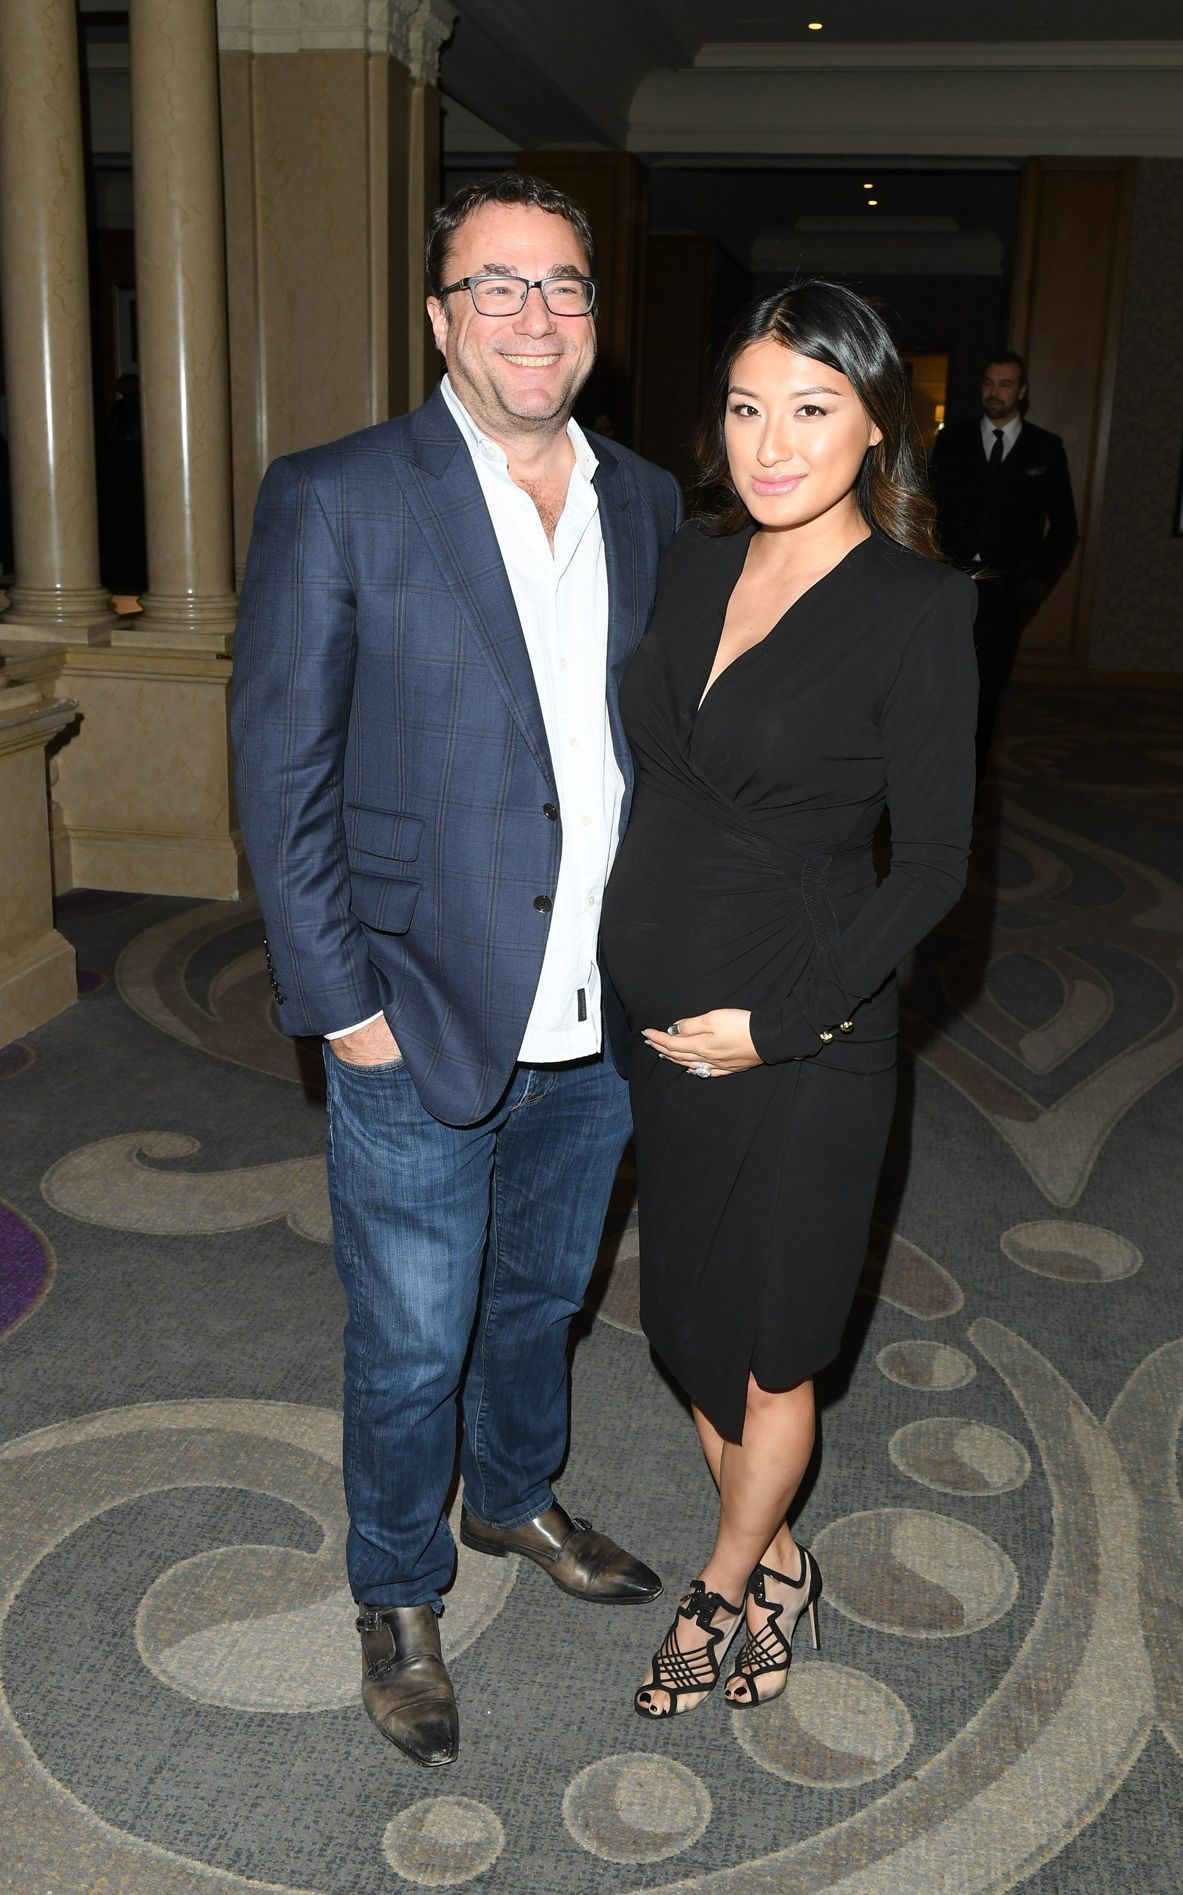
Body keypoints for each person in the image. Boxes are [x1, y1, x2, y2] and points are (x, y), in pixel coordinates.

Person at [230, 172, 682, 1768]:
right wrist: (343, 1010)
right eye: (497, 285)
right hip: (414, 1005)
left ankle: (513, 1494)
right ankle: (397, 1585)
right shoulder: (339, 494)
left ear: (594, 316)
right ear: (439, 318)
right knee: (413, 1334)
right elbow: (280, 774)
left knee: (545, 1297)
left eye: (562, 286)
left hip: (605, 1009)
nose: (533, 316)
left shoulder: (648, 499)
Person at [600, 279, 978, 1719]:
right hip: (661, 1027)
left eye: (811, 408)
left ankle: (725, 1581)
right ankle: (784, 1559)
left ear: (876, 423)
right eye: (747, 406)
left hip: (803, 1033)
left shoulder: (919, 608)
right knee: (684, 1324)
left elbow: (931, 865)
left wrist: (782, 1022)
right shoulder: (691, 562)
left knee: (772, 1342)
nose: (770, 442)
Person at [928, 351, 1077, 773]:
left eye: (1006, 384)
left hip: (1005, 590)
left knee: (986, 689)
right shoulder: (952, 440)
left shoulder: (1045, 448)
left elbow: (1065, 528)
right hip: (949, 581)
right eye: (989, 383)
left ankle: (970, 779)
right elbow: (926, 509)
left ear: (1022, 392)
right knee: (937, 682)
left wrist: (1032, 586)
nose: (995, 392)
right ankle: (931, 770)